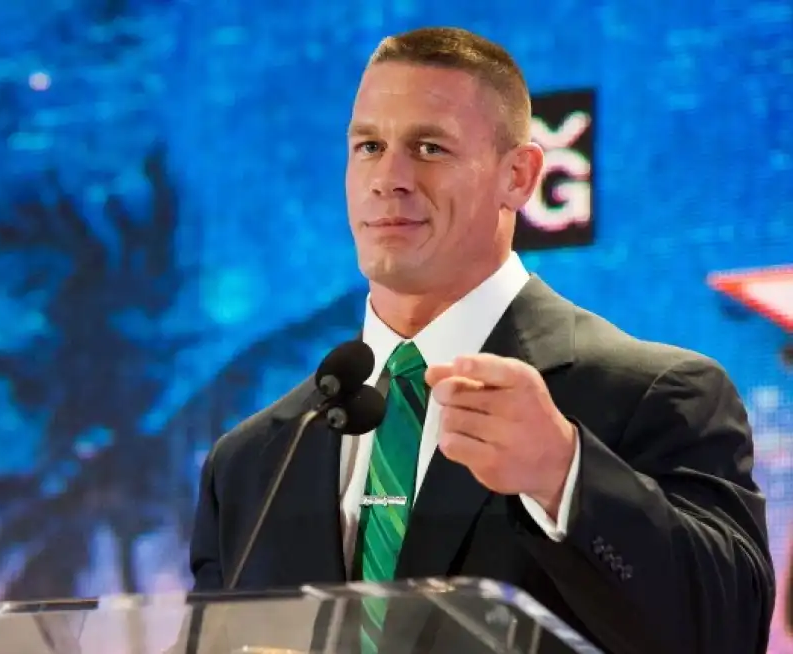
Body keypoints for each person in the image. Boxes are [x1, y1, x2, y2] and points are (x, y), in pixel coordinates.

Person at [188, 26, 775, 654]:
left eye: (430, 147)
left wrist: (563, 475)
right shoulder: (253, 461)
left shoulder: (656, 394)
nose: (389, 177)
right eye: (369, 146)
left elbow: (728, 631)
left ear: (519, 176)